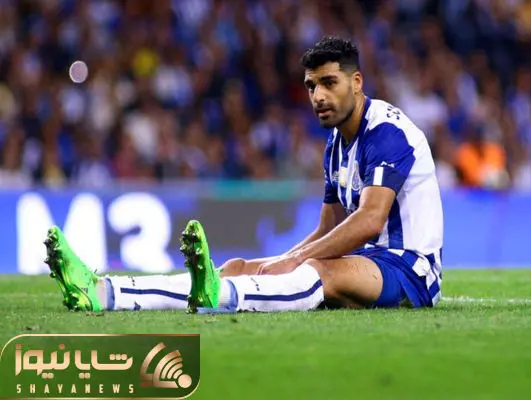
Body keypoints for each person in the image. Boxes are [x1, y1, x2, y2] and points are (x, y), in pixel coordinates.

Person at [44, 36, 444, 314]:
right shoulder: (336, 143)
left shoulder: (387, 132)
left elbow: (370, 220)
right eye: (311, 86)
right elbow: (328, 228)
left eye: (329, 83)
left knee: (316, 271)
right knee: (240, 266)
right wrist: (280, 260)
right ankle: (104, 291)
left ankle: (222, 298)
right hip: (365, 260)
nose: (318, 96)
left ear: (356, 83)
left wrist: (295, 260)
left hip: (408, 269)